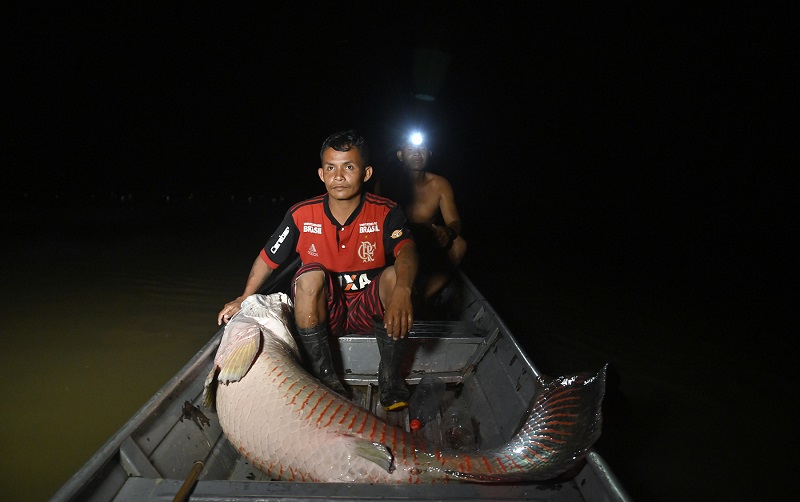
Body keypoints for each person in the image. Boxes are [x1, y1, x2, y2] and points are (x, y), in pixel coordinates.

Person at [217, 130, 418, 411]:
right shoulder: (301, 214)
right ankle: (326, 379)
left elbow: (407, 251)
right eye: (330, 167)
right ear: (321, 174)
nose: (339, 175)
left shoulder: (386, 211)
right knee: (309, 274)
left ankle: (390, 380)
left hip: (369, 311)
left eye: (349, 167)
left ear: (366, 172)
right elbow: (267, 259)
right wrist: (244, 297)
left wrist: (403, 291)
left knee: (396, 277)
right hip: (326, 313)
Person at [375, 130, 467, 309]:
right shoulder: (386, 183)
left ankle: (421, 300)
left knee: (460, 244)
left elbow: (454, 222)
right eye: (410, 148)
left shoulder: (440, 184)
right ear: (400, 155)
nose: (417, 153)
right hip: (395, 247)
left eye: (422, 148)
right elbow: (375, 222)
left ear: (429, 154)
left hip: (426, 244)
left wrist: (447, 232)